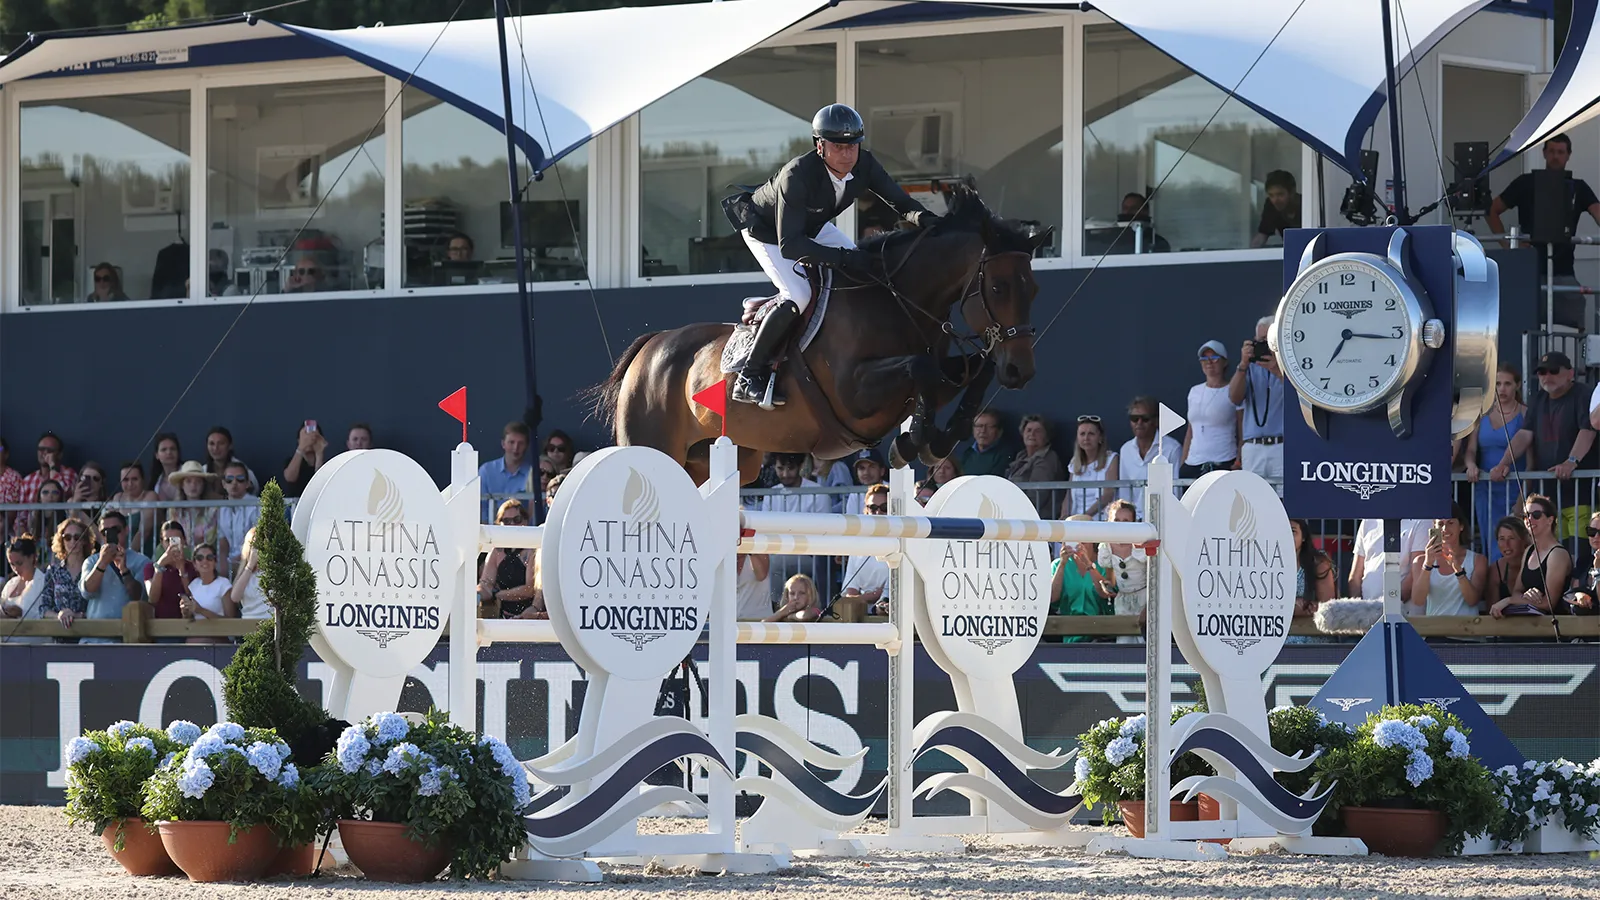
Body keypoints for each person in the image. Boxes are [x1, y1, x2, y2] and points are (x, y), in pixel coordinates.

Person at [721, 103, 939, 406]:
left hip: (811, 226)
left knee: (869, 273)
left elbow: (900, 201)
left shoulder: (865, 164)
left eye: (853, 146)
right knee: (798, 294)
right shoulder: (796, 175)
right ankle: (749, 375)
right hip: (768, 232)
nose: (848, 154)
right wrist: (846, 258)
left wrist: (927, 220)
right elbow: (792, 246)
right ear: (820, 146)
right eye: (839, 146)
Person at [1487, 133, 1600, 329]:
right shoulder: (1525, 183)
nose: (1556, 156)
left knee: (1574, 330)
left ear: (1568, 155)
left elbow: (1597, 213)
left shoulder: (1578, 188)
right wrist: (1508, 245)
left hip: (1564, 272)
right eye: (1552, 151)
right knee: (1524, 328)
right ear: (1544, 153)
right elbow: (1492, 211)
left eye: (1560, 152)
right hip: (1529, 270)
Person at [1250, 170, 1301, 248]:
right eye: (1271, 195)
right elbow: (1262, 235)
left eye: (1280, 194)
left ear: (1292, 192)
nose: (1275, 200)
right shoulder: (1271, 206)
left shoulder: (1306, 206)